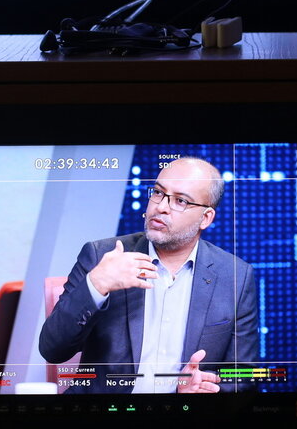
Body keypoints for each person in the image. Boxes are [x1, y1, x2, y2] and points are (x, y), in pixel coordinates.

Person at [39, 157, 258, 394]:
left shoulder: (235, 276)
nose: (161, 206)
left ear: (205, 218)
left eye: (180, 201)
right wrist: (96, 284)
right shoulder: (101, 255)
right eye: (158, 192)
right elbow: (52, 350)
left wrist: (202, 388)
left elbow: (243, 375)